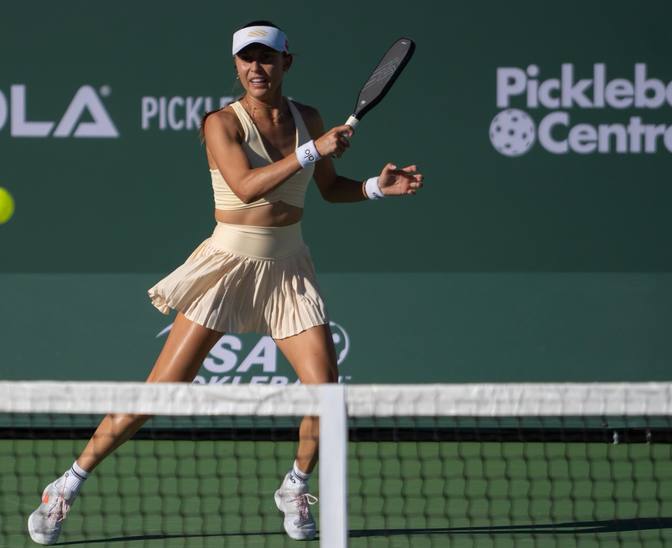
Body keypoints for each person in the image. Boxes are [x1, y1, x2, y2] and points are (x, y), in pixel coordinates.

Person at [28, 21, 423, 544]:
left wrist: (374, 187)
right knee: (158, 394)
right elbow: (247, 187)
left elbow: (327, 190)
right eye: (246, 59)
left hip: (288, 270)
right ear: (236, 66)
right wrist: (315, 150)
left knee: (328, 396)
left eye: (267, 58)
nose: (255, 68)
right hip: (228, 265)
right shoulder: (222, 123)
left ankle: (295, 485)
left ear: (287, 63)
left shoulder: (309, 119)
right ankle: (66, 485)